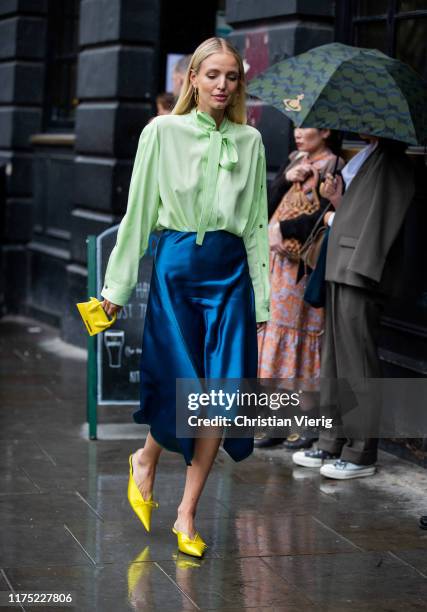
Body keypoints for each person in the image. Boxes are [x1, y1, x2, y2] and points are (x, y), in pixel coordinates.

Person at [100, 37, 269, 556]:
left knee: (219, 397)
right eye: (213, 75)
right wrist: (114, 290)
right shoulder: (161, 132)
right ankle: (145, 459)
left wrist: (262, 301)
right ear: (191, 79)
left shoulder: (250, 142)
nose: (222, 85)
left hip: (230, 275)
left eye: (232, 77)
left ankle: (186, 514)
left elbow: (257, 225)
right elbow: (138, 215)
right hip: (176, 271)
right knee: (187, 391)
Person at [292, 136, 415, 479]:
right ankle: (332, 440)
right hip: (341, 264)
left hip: (359, 270)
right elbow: (358, 214)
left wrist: (364, 267)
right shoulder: (371, 155)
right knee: (335, 361)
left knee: (357, 362)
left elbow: (382, 223)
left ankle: (361, 452)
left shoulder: (392, 161)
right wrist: (335, 200)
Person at [256, 128, 344, 450]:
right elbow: (264, 206)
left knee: (300, 336)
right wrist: (286, 178)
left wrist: (284, 227)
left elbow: (327, 218)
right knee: (273, 335)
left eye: (306, 125)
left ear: (325, 131)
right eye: (294, 124)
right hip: (275, 264)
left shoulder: (334, 167)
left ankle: (307, 421)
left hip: (301, 265)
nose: (296, 132)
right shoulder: (295, 159)